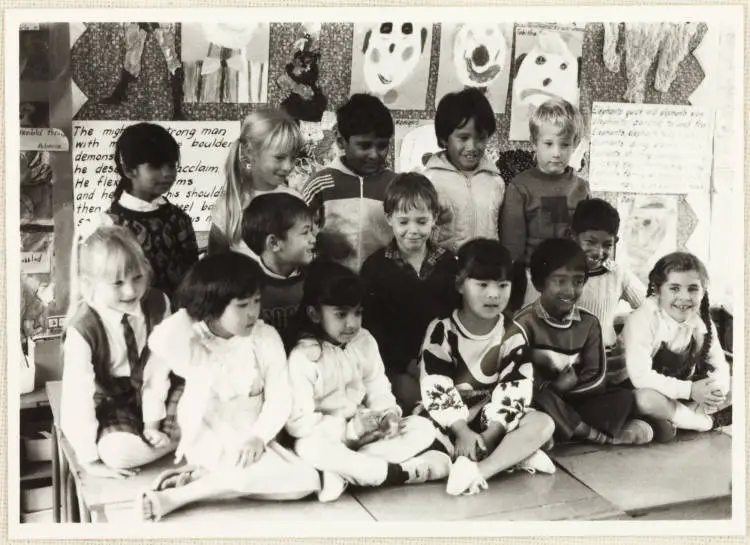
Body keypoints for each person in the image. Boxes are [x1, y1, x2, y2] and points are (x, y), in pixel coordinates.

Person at [138, 253, 321, 521]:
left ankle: (193, 485)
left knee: (307, 480)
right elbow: (155, 378)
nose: (252, 312)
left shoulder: (265, 338)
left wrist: (259, 435)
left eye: (257, 301)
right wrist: (151, 425)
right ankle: (180, 494)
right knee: (277, 477)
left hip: (253, 438)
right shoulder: (191, 338)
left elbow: (280, 396)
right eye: (242, 305)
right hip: (208, 438)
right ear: (213, 306)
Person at [285, 260, 451, 502]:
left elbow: (377, 386)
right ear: (314, 314)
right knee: (308, 449)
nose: (351, 323)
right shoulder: (304, 357)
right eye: (341, 315)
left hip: (368, 438)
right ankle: (397, 472)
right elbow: (298, 422)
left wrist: (388, 415)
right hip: (330, 436)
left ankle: (344, 474)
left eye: (358, 313)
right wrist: (350, 431)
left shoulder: (364, 341)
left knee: (420, 426)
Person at [418, 239, 556, 496]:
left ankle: (481, 470)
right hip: (450, 420)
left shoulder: (512, 332)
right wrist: (461, 431)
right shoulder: (442, 329)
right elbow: (436, 385)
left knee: (543, 424)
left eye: (502, 285)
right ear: (460, 284)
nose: (494, 294)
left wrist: (493, 433)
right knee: (420, 438)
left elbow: (515, 387)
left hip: (492, 418)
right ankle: (512, 457)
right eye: (482, 285)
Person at [509, 238, 653, 446]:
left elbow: (596, 377)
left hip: (578, 399)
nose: (570, 290)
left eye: (577, 282)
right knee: (535, 399)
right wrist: (557, 388)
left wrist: (564, 391)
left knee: (623, 397)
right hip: (541, 399)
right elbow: (518, 379)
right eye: (560, 281)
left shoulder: (589, 323)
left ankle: (561, 431)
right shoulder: (523, 324)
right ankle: (594, 435)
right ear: (539, 283)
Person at [61, 225, 178, 479]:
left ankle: (166, 440)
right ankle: (178, 443)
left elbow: (159, 369)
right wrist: (90, 461)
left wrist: (153, 424)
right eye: (117, 283)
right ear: (89, 284)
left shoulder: (159, 304)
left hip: (157, 392)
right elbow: (77, 397)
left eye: (137, 277)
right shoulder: (82, 329)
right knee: (116, 453)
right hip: (113, 404)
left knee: (208, 397)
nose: (130, 291)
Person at [360, 173, 458, 413]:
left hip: (443, 360)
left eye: (421, 221)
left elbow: (455, 316)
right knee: (418, 404)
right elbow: (373, 328)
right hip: (396, 365)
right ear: (389, 219)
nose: (412, 230)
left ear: (434, 218)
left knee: (446, 404)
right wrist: (405, 365)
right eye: (403, 222)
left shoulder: (447, 263)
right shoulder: (375, 267)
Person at [623, 252, 731, 442]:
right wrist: (690, 391)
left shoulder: (701, 320)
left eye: (692, 289)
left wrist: (716, 390)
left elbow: (719, 364)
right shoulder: (642, 319)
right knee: (645, 400)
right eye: (674, 288)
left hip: (683, 391)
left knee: (739, 381)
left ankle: (678, 419)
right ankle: (705, 422)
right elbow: (640, 377)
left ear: (703, 291)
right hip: (642, 389)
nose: (684, 297)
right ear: (657, 290)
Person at [498, 97, 590, 310]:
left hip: (572, 280)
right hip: (533, 280)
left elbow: (589, 240)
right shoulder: (520, 187)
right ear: (534, 143)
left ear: (575, 145)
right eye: (548, 144)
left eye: (565, 145)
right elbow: (513, 248)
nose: (556, 153)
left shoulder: (582, 188)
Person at [300, 93, 396, 271]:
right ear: (341, 142)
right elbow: (293, 231)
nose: (374, 155)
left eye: (382, 146)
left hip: (382, 286)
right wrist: (321, 240)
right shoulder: (320, 184)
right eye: (364, 146)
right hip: (332, 287)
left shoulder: (396, 186)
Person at [106, 122, 198, 304]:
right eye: (156, 166)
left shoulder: (179, 219)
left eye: (171, 165)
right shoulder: (110, 226)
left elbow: (192, 275)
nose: (167, 173)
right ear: (129, 170)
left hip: (177, 320)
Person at [570, 198, 646, 384]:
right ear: (573, 236)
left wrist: (628, 336)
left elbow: (649, 306)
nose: (598, 252)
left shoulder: (617, 273)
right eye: (590, 242)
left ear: (616, 242)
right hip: (569, 367)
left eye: (607, 245)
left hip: (608, 363)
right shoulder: (560, 274)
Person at [209, 109, 303, 255]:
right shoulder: (230, 206)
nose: (288, 166)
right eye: (279, 157)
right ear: (250, 152)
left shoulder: (296, 200)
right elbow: (215, 263)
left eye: (293, 158)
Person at [423, 87, 505, 254]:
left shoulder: (496, 182)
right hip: (446, 272)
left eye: (481, 137)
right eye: (463, 138)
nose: (472, 147)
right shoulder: (429, 181)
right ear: (444, 138)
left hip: (486, 271)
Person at [240, 193, 316, 344]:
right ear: (274, 243)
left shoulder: (317, 276)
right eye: (305, 232)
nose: (313, 239)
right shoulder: (246, 286)